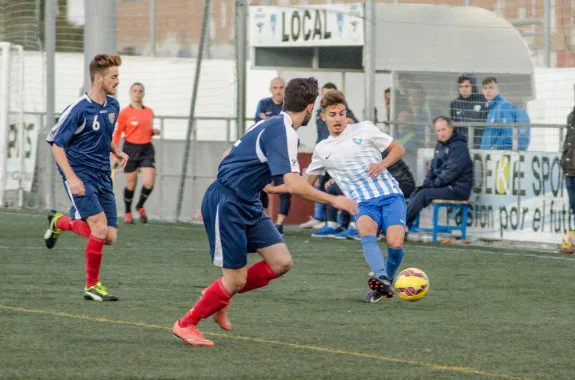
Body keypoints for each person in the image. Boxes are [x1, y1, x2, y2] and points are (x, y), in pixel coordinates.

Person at [172, 77, 357, 347]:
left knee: (281, 262)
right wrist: (335, 200)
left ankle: (219, 294)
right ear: (309, 107)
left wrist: (253, 178)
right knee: (234, 279)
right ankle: (186, 323)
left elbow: (227, 155)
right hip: (229, 204)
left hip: (247, 202)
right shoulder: (283, 132)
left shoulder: (270, 122)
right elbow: (294, 184)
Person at [305, 90, 407, 303]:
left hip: (390, 196)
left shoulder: (365, 129)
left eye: (341, 113)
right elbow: (306, 185)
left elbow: (398, 149)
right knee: (365, 232)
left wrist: (381, 164)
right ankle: (381, 277)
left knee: (395, 244)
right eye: (332, 114)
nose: (338, 119)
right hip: (363, 203)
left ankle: (384, 281)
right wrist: (279, 185)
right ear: (323, 117)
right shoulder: (322, 150)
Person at [44, 54, 128, 301]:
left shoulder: (113, 106)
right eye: (114, 77)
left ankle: (60, 222)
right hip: (80, 174)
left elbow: (102, 136)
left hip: (103, 174)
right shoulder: (78, 109)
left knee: (109, 237)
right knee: (99, 228)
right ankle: (92, 286)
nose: (118, 81)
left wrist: (116, 150)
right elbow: (57, 145)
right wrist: (72, 178)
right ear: (98, 77)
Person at [300, 82, 358, 230]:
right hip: (326, 156)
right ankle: (326, 220)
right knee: (323, 185)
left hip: (342, 161)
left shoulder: (349, 119)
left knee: (336, 185)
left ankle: (350, 222)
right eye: (325, 94)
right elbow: (321, 136)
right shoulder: (319, 115)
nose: (337, 118)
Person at [406, 116, 473, 230]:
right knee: (417, 192)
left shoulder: (459, 147)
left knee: (423, 194)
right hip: (444, 186)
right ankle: (404, 227)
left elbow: (450, 174)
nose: (441, 133)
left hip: (457, 189)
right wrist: (427, 183)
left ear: (451, 128)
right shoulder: (440, 145)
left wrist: (431, 184)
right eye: (438, 130)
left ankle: (396, 227)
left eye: (444, 129)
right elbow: (433, 168)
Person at [113, 82, 160, 224]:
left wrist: (153, 132)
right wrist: (115, 153)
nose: (137, 93)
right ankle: (128, 212)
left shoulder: (149, 112)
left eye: (140, 91)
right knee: (131, 184)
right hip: (130, 149)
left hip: (146, 149)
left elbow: (146, 130)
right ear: (131, 93)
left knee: (149, 182)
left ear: (143, 93)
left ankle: (140, 206)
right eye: (134, 90)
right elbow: (117, 133)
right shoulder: (124, 113)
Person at [253, 77, 291, 233]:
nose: (278, 90)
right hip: (265, 154)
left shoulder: (289, 106)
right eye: (275, 87)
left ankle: (280, 223)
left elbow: (286, 125)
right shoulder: (263, 103)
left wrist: (269, 120)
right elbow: (259, 123)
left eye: (281, 87)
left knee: (285, 188)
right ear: (270, 89)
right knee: (262, 187)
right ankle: (267, 220)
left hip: (282, 154)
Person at [479, 76, 530, 151]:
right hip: (488, 154)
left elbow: (509, 133)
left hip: (499, 155)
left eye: (491, 87)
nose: (488, 91)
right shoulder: (491, 108)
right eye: (485, 88)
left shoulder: (503, 106)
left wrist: (495, 149)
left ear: (497, 89)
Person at [449, 73, 487, 148]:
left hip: (480, 146)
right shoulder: (455, 103)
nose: (464, 90)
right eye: (461, 87)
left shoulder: (483, 100)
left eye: (467, 86)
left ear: (473, 86)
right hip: (461, 146)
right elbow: (454, 127)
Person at [560, 92, 575, 253]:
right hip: (570, 169)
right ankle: (572, 242)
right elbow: (568, 141)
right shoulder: (571, 116)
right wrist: (564, 160)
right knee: (574, 206)